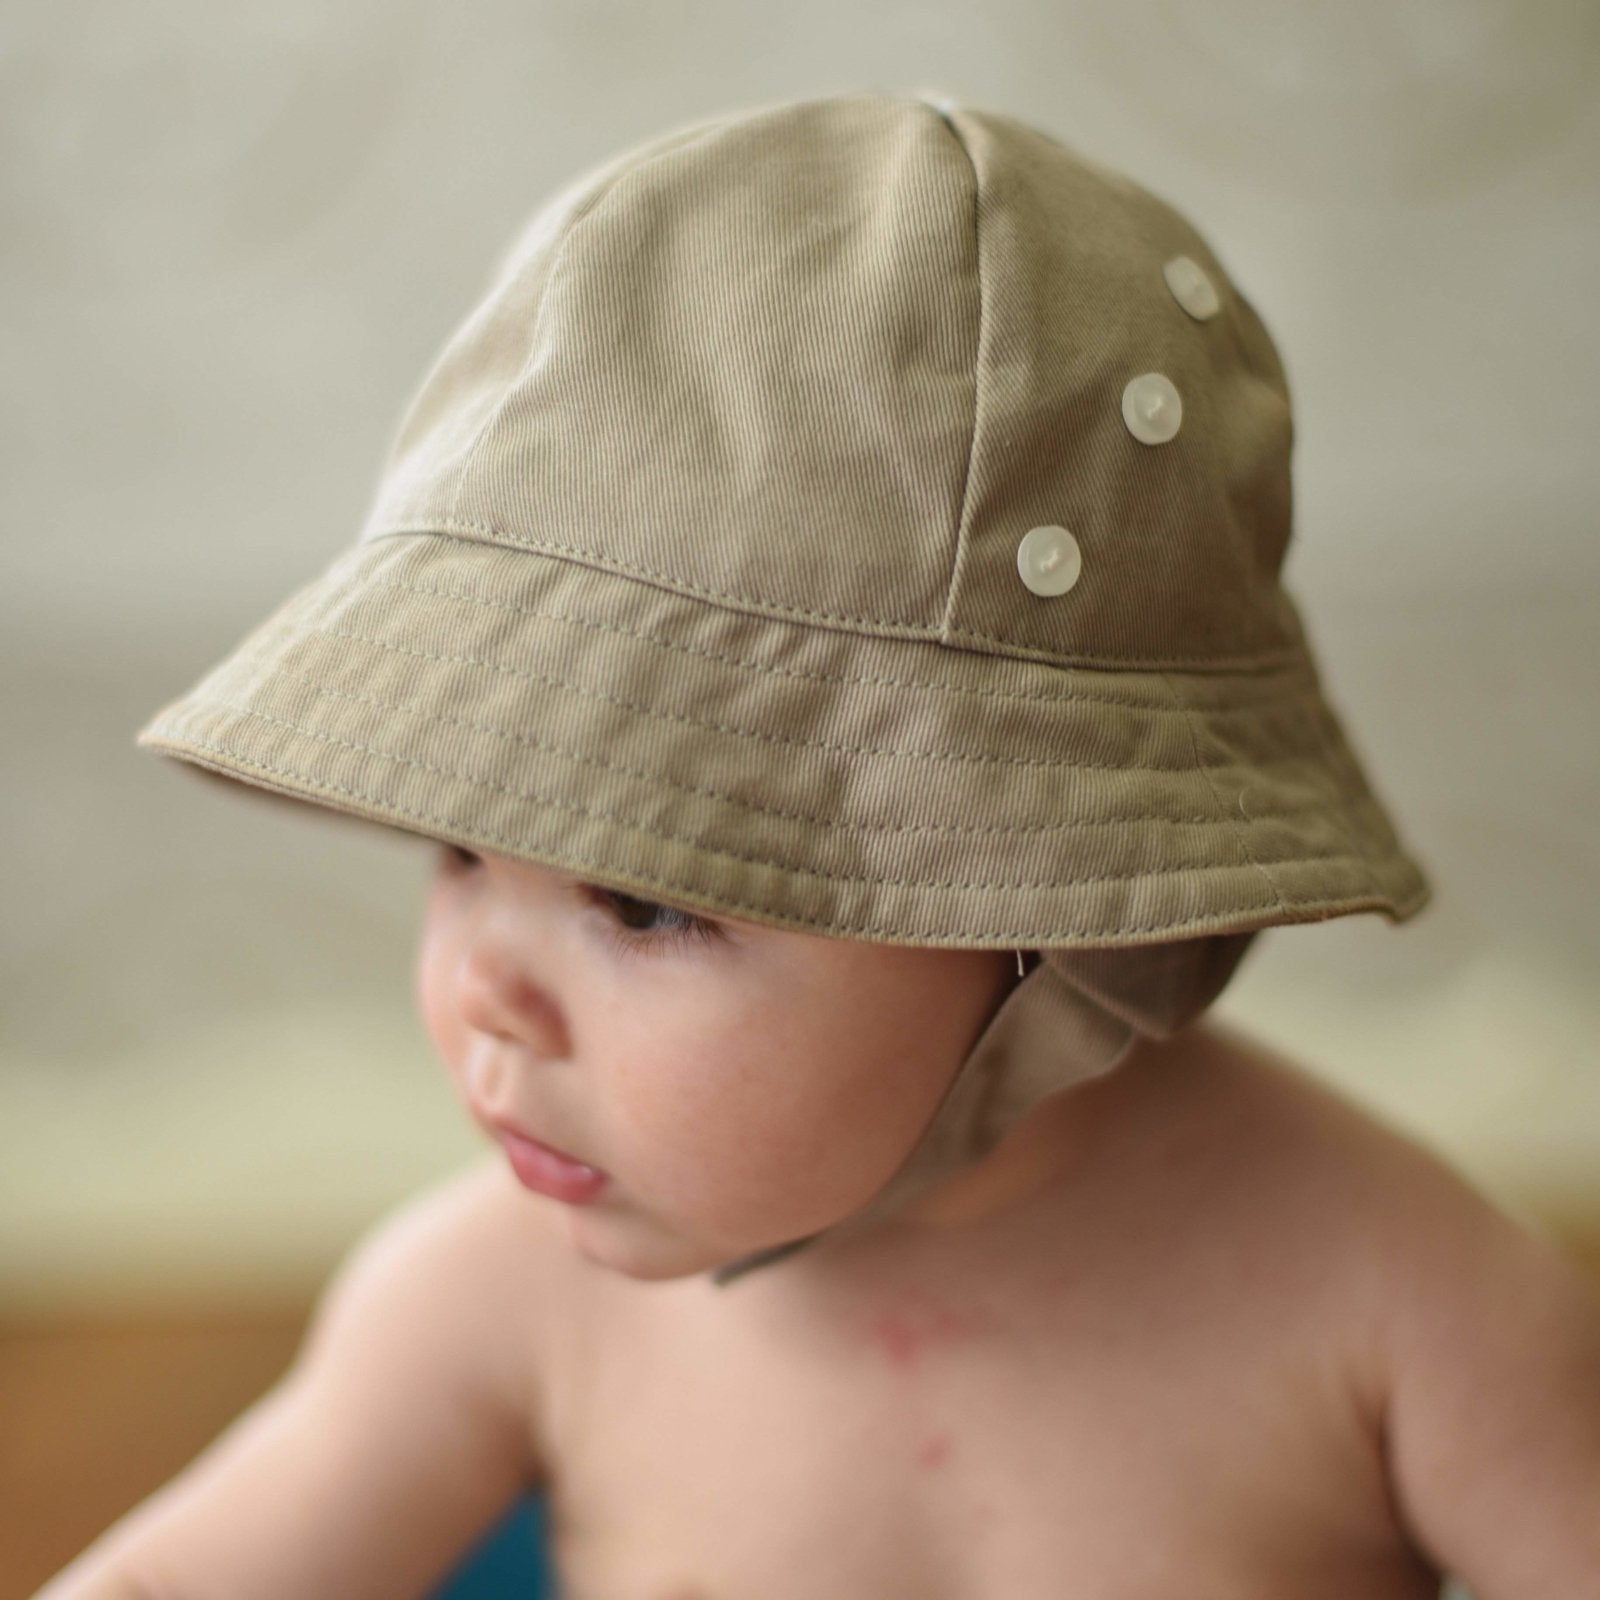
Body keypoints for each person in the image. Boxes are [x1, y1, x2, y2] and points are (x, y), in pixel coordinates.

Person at [39, 91, 1599, 1598]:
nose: (486, 994)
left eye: (642, 901)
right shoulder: (492, 1302)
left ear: (1058, 916)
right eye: (458, 852)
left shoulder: (1401, 1297)